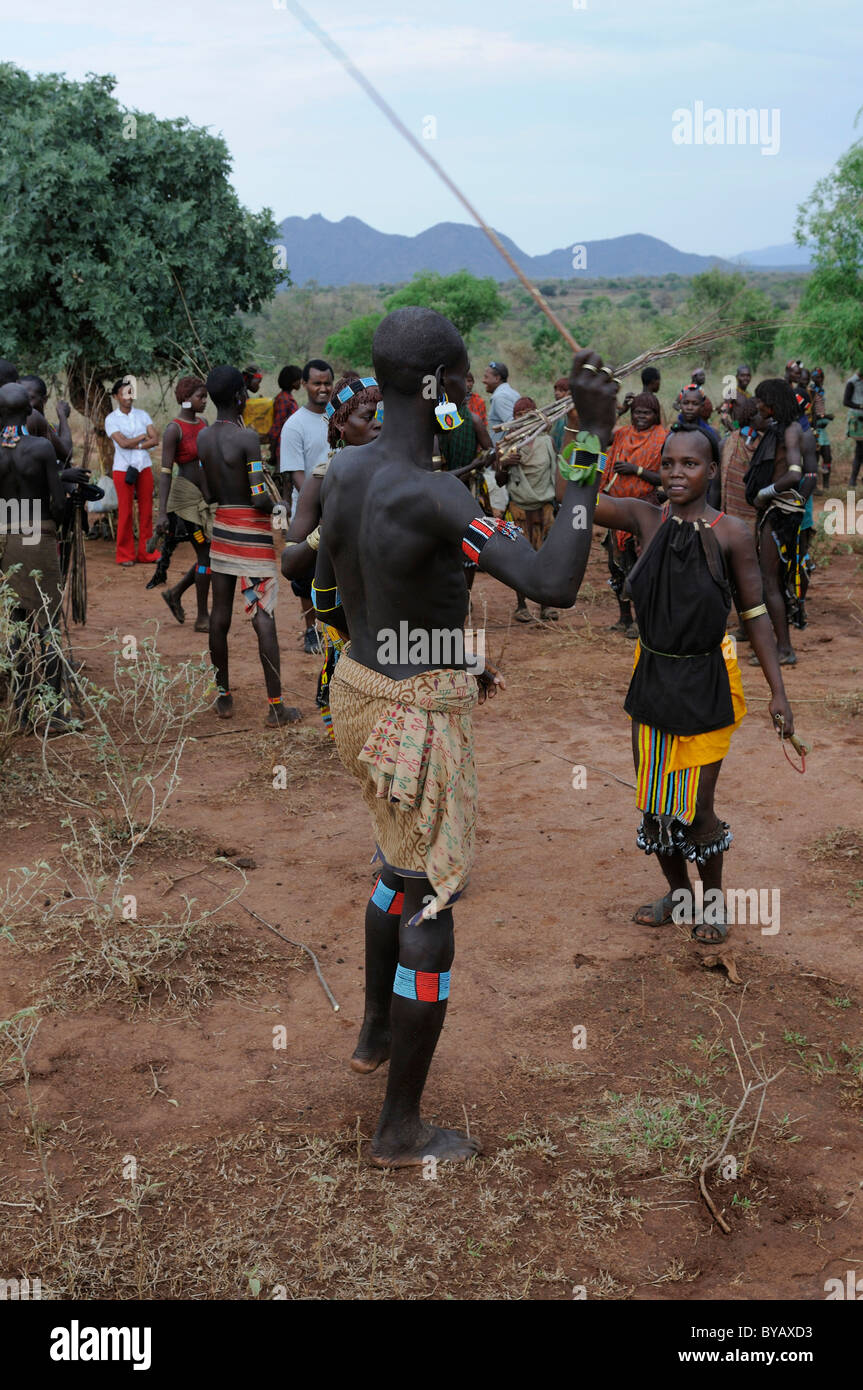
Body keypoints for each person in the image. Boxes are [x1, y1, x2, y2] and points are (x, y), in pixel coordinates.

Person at [314, 306, 616, 1166]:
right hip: (416, 713)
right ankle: (400, 1129)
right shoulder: (436, 496)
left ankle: (374, 1032)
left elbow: (328, 579)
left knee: (395, 867)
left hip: (361, 689)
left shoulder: (344, 470)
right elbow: (555, 580)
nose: (464, 391)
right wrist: (586, 446)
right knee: (431, 903)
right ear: (441, 387)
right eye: (460, 378)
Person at [588, 420, 794, 942]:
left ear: (710, 470)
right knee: (656, 805)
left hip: (707, 680)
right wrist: (585, 427)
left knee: (695, 809)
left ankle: (715, 902)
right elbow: (578, 501)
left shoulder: (732, 533)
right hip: (652, 676)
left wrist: (779, 691)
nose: (677, 473)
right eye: (670, 463)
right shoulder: (643, 516)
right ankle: (680, 899)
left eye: (691, 464)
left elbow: (754, 614)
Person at [197, 366, 301, 726]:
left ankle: (223, 698)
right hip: (252, 535)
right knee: (264, 616)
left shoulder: (204, 438)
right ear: (241, 397)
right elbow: (258, 498)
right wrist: (280, 507)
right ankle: (276, 707)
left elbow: (209, 493)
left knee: (220, 614)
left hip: (223, 529)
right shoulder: (247, 438)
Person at [282, 375, 382, 737]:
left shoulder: (397, 472)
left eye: (381, 414)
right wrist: (325, 535)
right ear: (340, 424)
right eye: (368, 416)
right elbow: (289, 561)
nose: (378, 422)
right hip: (341, 606)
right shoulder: (323, 479)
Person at [0, 383, 71, 733]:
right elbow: (58, 503)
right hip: (37, 533)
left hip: (6, 535)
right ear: (30, 413)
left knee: (17, 624)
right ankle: (56, 713)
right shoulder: (41, 447)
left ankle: (22, 711)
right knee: (49, 623)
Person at [746, 379, 816, 664]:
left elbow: (794, 473)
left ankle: (784, 648)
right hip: (787, 513)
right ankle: (778, 644)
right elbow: (811, 477)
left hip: (778, 514)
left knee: (769, 581)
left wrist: (765, 495)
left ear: (773, 402)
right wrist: (798, 506)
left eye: (761, 399)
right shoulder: (798, 430)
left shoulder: (789, 431)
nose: (757, 404)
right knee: (777, 579)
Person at [596, 392, 665, 637]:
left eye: (647, 413)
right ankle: (624, 617)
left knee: (641, 566)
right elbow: (600, 437)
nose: (641, 417)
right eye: (637, 412)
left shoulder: (662, 439)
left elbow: (664, 477)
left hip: (644, 511)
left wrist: (636, 470)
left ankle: (642, 620)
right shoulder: (623, 434)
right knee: (616, 565)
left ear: (656, 414)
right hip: (616, 510)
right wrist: (620, 411)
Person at [279, 359, 334, 652]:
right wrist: (321, 504)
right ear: (304, 385)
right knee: (306, 574)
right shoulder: (294, 425)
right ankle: (311, 629)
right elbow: (296, 474)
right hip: (309, 513)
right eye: (317, 383)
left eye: (327, 383)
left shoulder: (340, 417)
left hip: (340, 508)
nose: (323, 389)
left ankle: (339, 629)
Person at [155, 377, 212, 632]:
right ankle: (202, 617)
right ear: (187, 398)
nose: (205, 401)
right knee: (204, 554)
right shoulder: (173, 430)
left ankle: (175, 593)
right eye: (201, 396)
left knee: (208, 555)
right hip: (186, 501)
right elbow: (166, 473)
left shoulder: (204, 424)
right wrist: (162, 513)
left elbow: (206, 464)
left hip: (204, 500)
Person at [495, 396, 559, 623]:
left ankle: (546, 606)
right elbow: (500, 480)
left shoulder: (547, 442)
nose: (524, 420)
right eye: (519, 416)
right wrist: (505, 463)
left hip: (544, 507)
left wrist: (559, 503)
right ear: (514, 419)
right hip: (519, 507)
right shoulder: (507, 443)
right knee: (519, 557)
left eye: (528, 415)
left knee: (546, 556)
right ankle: (521, 605)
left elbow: (555, 474)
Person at [104, 376, 160, 566]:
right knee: (126, 511)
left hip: (143, 466)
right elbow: (123, 443)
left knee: (146, 510)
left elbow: (156, 439)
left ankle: (147, 553)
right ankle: (125, 555)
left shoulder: (142, 415)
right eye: (124, 393)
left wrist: (136, 443)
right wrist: (143, 437)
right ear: (116, 396)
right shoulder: (111, 419)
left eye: (130, 392)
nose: (128, 396)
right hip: (123, 468)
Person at [482, 361, 519, 518]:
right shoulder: (513, 393)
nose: (483, 380)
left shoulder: (500, 398)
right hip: (508, 455)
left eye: (486, 377)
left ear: (497, 378)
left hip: (503, 458)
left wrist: (500, 455)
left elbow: (515, 425)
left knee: (498, 506)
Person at [269, 364, 302, 472]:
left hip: (288, 446)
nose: (300, 382)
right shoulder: (284, 400)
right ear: (293, 382)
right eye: (298, 379)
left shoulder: (286, 397)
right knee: (283, 482)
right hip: (283, 448)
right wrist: (273, 452)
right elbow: (277, 426)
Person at [241, 365, 274, 458]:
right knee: (253, 463)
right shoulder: (240, 393)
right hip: (242, 436)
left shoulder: (242, 391)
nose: (258, 386)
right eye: (258, 382)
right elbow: (243, 409)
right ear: (248, 378)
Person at [809, 367, 833, 489]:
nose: (817, 379)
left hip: (822, 429)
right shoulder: (812, 391)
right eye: (814, 377)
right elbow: (811, 412)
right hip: (815, 429)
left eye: (819, 376)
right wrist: (825, 415)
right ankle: (814, 486)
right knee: (816, 458)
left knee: (827, 457)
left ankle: (826, 485)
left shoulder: (820, 390)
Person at [842, 366, 863, 487]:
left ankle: (853, 479)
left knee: (860, 451)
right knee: (860, 450)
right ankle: (853, 479)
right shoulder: (852, 382)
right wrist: (861, 406)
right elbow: (846, 402)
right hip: (857, 420)